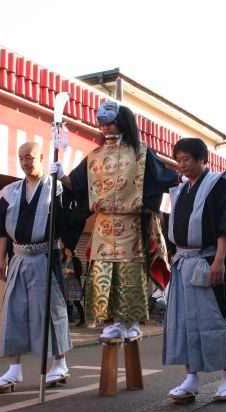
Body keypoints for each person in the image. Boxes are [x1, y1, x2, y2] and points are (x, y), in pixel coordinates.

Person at [53, 101, 179, 341]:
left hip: (131, 223)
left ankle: (130, 320)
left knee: (129, 273)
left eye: (110, 122)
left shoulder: (141, 151)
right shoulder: (94, 156)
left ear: (123, 122)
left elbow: (163, 176)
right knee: (103, 271)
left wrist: (184, 180)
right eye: (102, 123)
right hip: (102, 225)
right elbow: (78, 186)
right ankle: (113, 320)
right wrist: (61, 176)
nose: (106, 128)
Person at [0, 141, 76, 390]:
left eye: (30, 157)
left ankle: (60, 363)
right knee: (13, 312)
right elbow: (1, 230)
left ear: (41, 157)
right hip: (18, 257)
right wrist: (0, 259)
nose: (26, 162)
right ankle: (14, 369)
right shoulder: (9, 192)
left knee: (50, 310)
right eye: (21, 158)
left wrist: (65, 179)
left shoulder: (55, 189)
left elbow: (76, 205)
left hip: (45, 257)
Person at [162, 137, 226, 401]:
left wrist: (220, 259)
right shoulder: (181, 190)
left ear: (201, 159)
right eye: (179, 159)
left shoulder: (218, 183)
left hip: (209, 260)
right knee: (185, 322)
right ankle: (191, 378)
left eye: (187, 159)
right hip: (183, 263)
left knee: (216, 319)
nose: (182, 164)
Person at [62, 247, 85, 327]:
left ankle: (82, 320)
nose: (68, 251)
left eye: (69, 249)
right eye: (66, 249)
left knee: (76, 302)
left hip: (74, 284)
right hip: (64, 283)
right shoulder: (62, 260)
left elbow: (80, 272)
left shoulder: (76, 260)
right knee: (64, 302)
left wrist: (70, 271)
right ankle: (65, 320)